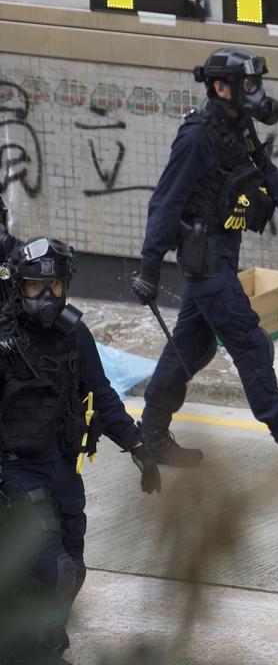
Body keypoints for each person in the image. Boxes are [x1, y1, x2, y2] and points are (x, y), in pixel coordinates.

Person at [129, 47, 278, 472]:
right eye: (247, 84)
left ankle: (151, 434)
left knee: (191, 345)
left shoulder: (238, 126)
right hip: (204, 259)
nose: (255, 92)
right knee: (250, 343)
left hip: (222, 254)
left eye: (256, 83)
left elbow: (269, 178)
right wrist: (149, 268)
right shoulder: (196, 138)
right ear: (220, 87)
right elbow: (165, 203)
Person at [0, 237, 161, 663]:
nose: (48, 297)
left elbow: (102, 395)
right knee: (56, 569)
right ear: (18, 288)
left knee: (74, 569)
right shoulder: (4, 341)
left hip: (61, 467)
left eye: (55, 287)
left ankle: (44, 635)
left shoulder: (75, 335)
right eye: (37, 288)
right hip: (15, 471)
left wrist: (137, 444)